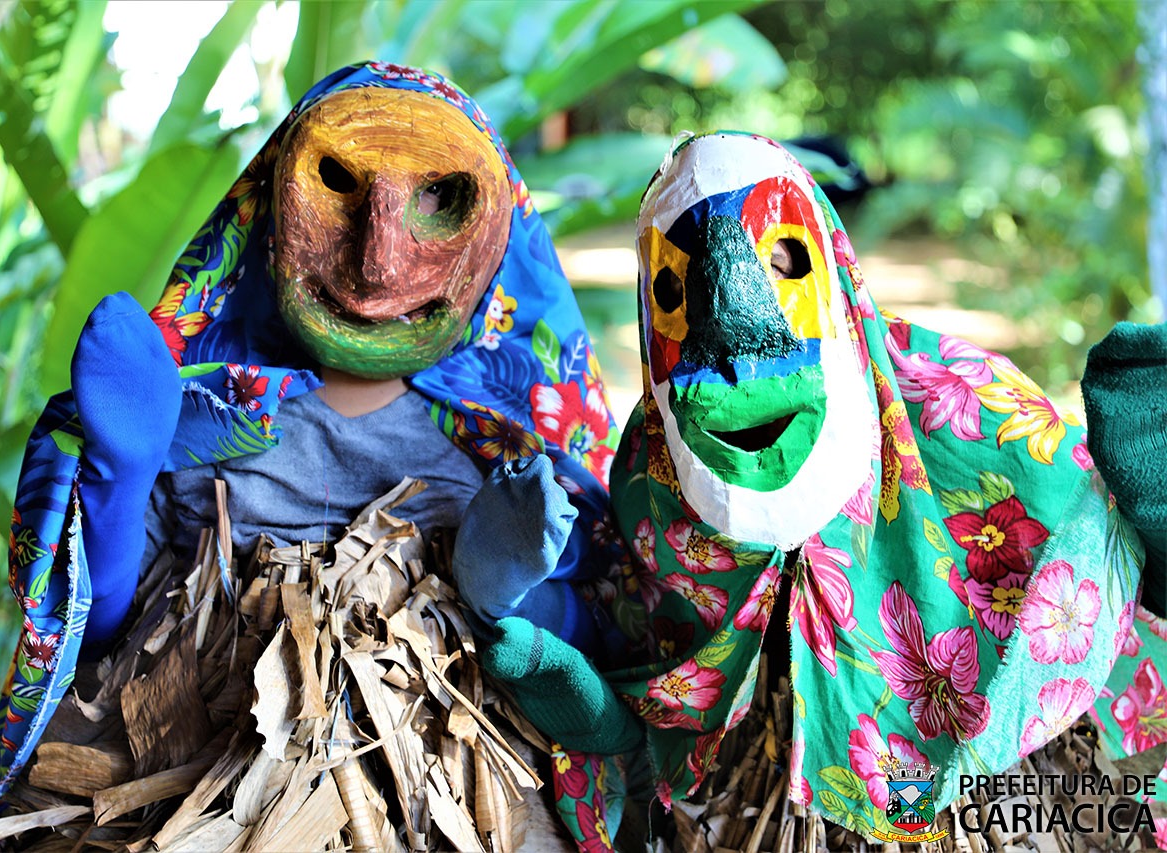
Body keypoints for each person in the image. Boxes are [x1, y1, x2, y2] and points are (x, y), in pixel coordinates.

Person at [0, 62, 622, 851]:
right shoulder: (210, 419)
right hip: (186, 783)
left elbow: (597, 641)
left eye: (440, 197)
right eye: (336, 180)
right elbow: (99, 630)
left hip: (445, 805)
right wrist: (121, 479)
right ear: (270, 203)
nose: (378, 259)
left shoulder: (500, 448)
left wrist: (502, 593)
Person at [479, 131, 1165, 849]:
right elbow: (639, 654)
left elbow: (1102, 559)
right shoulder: (650, 482)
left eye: (783, 262)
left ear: (834, 274)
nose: (738, 353)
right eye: (675, 292)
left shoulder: (961, 408)